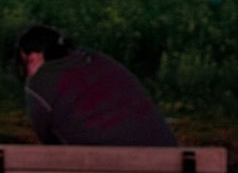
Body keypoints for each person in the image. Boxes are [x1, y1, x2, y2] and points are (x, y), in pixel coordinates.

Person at [17, 25, 176, 147]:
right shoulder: (98, 60)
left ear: (35, 56)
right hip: (169, 165)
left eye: (26, 62)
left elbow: (48, 140)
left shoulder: (39, 84)